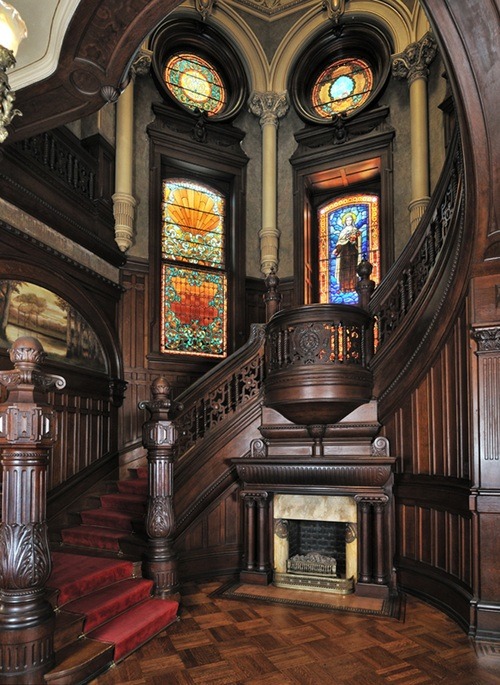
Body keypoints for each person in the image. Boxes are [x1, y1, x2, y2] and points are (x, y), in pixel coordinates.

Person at [333, 213, 360, 292]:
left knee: (352, 270)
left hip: (352, 253)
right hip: (344, 254)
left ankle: (353, 287)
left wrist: (353, 240)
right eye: (347, 220)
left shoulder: (355, 230)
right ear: (345, 221)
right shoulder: (343, 231)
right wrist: (337, 250)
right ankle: (343, 288)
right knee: (343, 271)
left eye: (350, 220)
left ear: (352, 221)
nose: (349, 221)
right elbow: (340, 242)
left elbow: (357, 241)